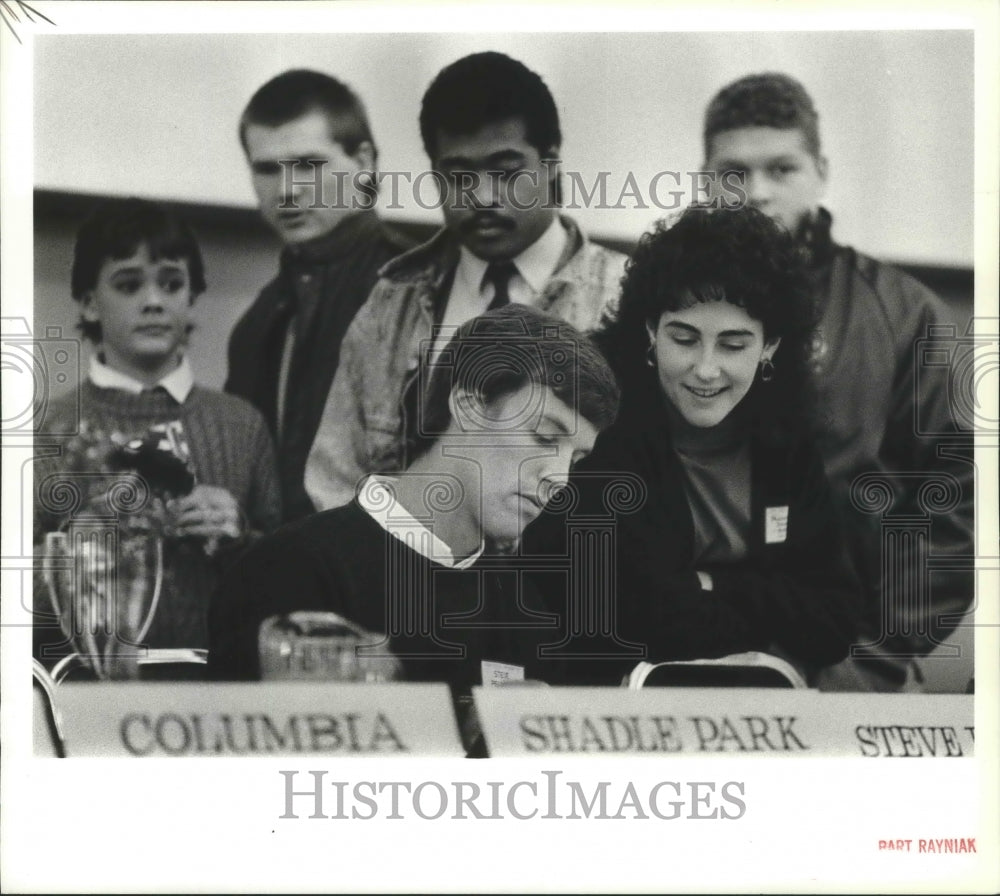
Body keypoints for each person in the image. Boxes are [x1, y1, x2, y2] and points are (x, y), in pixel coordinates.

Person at [701, 72, 974, 691]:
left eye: (781, 169)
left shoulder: (903, 314)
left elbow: (950, 505)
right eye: (733, 174)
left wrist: (870, 660)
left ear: (820, 170)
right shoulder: (657, 311)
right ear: (704, 180)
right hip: (680, 656)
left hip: (844, 664)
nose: (758, 193)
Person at [208, 304, 620, 700]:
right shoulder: (292, 569)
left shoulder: (526, 611)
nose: (560, 479)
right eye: (545, 438)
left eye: (577, 458)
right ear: (469, 405)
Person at [523, 205, 861, 686]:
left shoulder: (785, 438)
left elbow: (836, 620)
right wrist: (767, 603)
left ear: (770, 347)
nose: (705, 369)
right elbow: (629, 618)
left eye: (733, 344)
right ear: (650, 332)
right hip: (608, 710)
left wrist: (712, 585)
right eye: (684, 339)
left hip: (759, 714)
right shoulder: (598, 422)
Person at [304, 51, 627, 513]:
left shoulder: (625, 297)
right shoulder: (391, 303)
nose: (481, 197)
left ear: (551, 165)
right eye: (458, 176)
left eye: (505, 171)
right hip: (398, 576)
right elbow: (334, 484)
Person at [34, 199, 281, 670]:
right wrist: (82, 550)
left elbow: (283, 580)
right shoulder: (46, 431)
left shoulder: (241, 424)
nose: (153, 301)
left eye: (171, 284)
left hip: (218, 684)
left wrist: (240, 537)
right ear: (88, 302)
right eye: (129, 285)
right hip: (81, 685)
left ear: (191, 300)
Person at [226, 70, 413, 522]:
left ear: (364, 164)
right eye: (267, 169)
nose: (287, 191)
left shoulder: (421, 289)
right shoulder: (259, 320)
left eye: (309, 165)